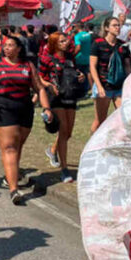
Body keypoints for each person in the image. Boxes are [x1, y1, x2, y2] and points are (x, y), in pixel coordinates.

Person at [0, 35, 52, 205]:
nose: (7, 48)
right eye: (5, 45)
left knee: (17, 145)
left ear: (19, 48)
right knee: (9, 147)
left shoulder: (28, 65)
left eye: (11, 45)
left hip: (25, 109)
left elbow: (39, 88)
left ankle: (9, 176)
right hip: (4, 109)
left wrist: (47, 108)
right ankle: (14, 189)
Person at [38, 32, 83, 182]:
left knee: (68, 133)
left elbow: (73, 72)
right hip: (56, 97)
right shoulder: (47, 59)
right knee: (63, 131)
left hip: (70, 95)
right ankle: (64, 170)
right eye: (62, 41)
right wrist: (49, 85)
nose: (66, 43)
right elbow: (39, 78)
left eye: (66, 40)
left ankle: (52, 150)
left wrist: (80, 76)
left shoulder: (70, 57)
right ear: (54, 43)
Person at [89, 17, 131, 133]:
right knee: (100, 121)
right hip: (104, 86)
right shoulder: (98, 44)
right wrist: (98, 86)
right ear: (107, 28)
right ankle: (91, 148)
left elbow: (128, 67)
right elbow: (92, 66)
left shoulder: (123, 46)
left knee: (125, 117)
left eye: (119, 25)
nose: (118, 28)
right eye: (114, 25)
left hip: (119, 88)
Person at [72, 22, 93, 93]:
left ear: (77, 27)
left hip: (79, 58)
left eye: (74, 27)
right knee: (88, 73)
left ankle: (82, 90)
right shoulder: (88, 35)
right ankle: (92, 89)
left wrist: (73, 54)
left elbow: (78, 47)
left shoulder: (77, 36)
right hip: (88, 58)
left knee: (80, 74)